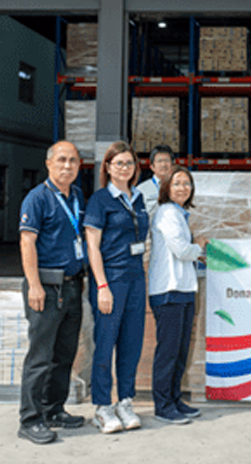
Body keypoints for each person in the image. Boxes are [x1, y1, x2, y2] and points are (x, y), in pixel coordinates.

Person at [17, 141, 86, 444]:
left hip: (72, 285)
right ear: (48, 164)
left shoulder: (78, 196)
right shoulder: (37, 198)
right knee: (40, 357)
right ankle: (30, 420)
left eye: (73, 160)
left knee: (64, 355)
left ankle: (53, 410)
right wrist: (34, 285)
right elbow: (27, 242)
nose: (67, 166)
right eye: (61, 160)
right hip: (46, 288)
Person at [85, 141, 150, 434]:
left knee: (131, 343)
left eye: (129, 163)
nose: (124, 168)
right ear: (108, 167)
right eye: (119, 163)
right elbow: (93, 247)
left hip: (136, 278)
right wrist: (102, 285)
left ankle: (125, 401)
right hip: (111, 279)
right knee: (105, 343)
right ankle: (102, 406)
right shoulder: (100, 200)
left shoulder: (138, 197)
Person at [149, 166, 208, 425]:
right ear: (166, 188)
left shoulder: (180, 214)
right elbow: (181, 250)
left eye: (187, 183)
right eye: (177, 183)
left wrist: (197, 253)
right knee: (168, 351)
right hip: (168, 291)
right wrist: (200, 247)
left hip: (183, 289)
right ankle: (163, 405)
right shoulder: (167, 213)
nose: (183, 188)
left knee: (181, 350)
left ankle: (174, 399)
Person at [136, 144, 174, 220]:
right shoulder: (141, 190)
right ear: (152, 166)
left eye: (166, 160)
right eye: (159, 161)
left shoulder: (179, 187)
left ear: (172, 165)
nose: (163, 164)